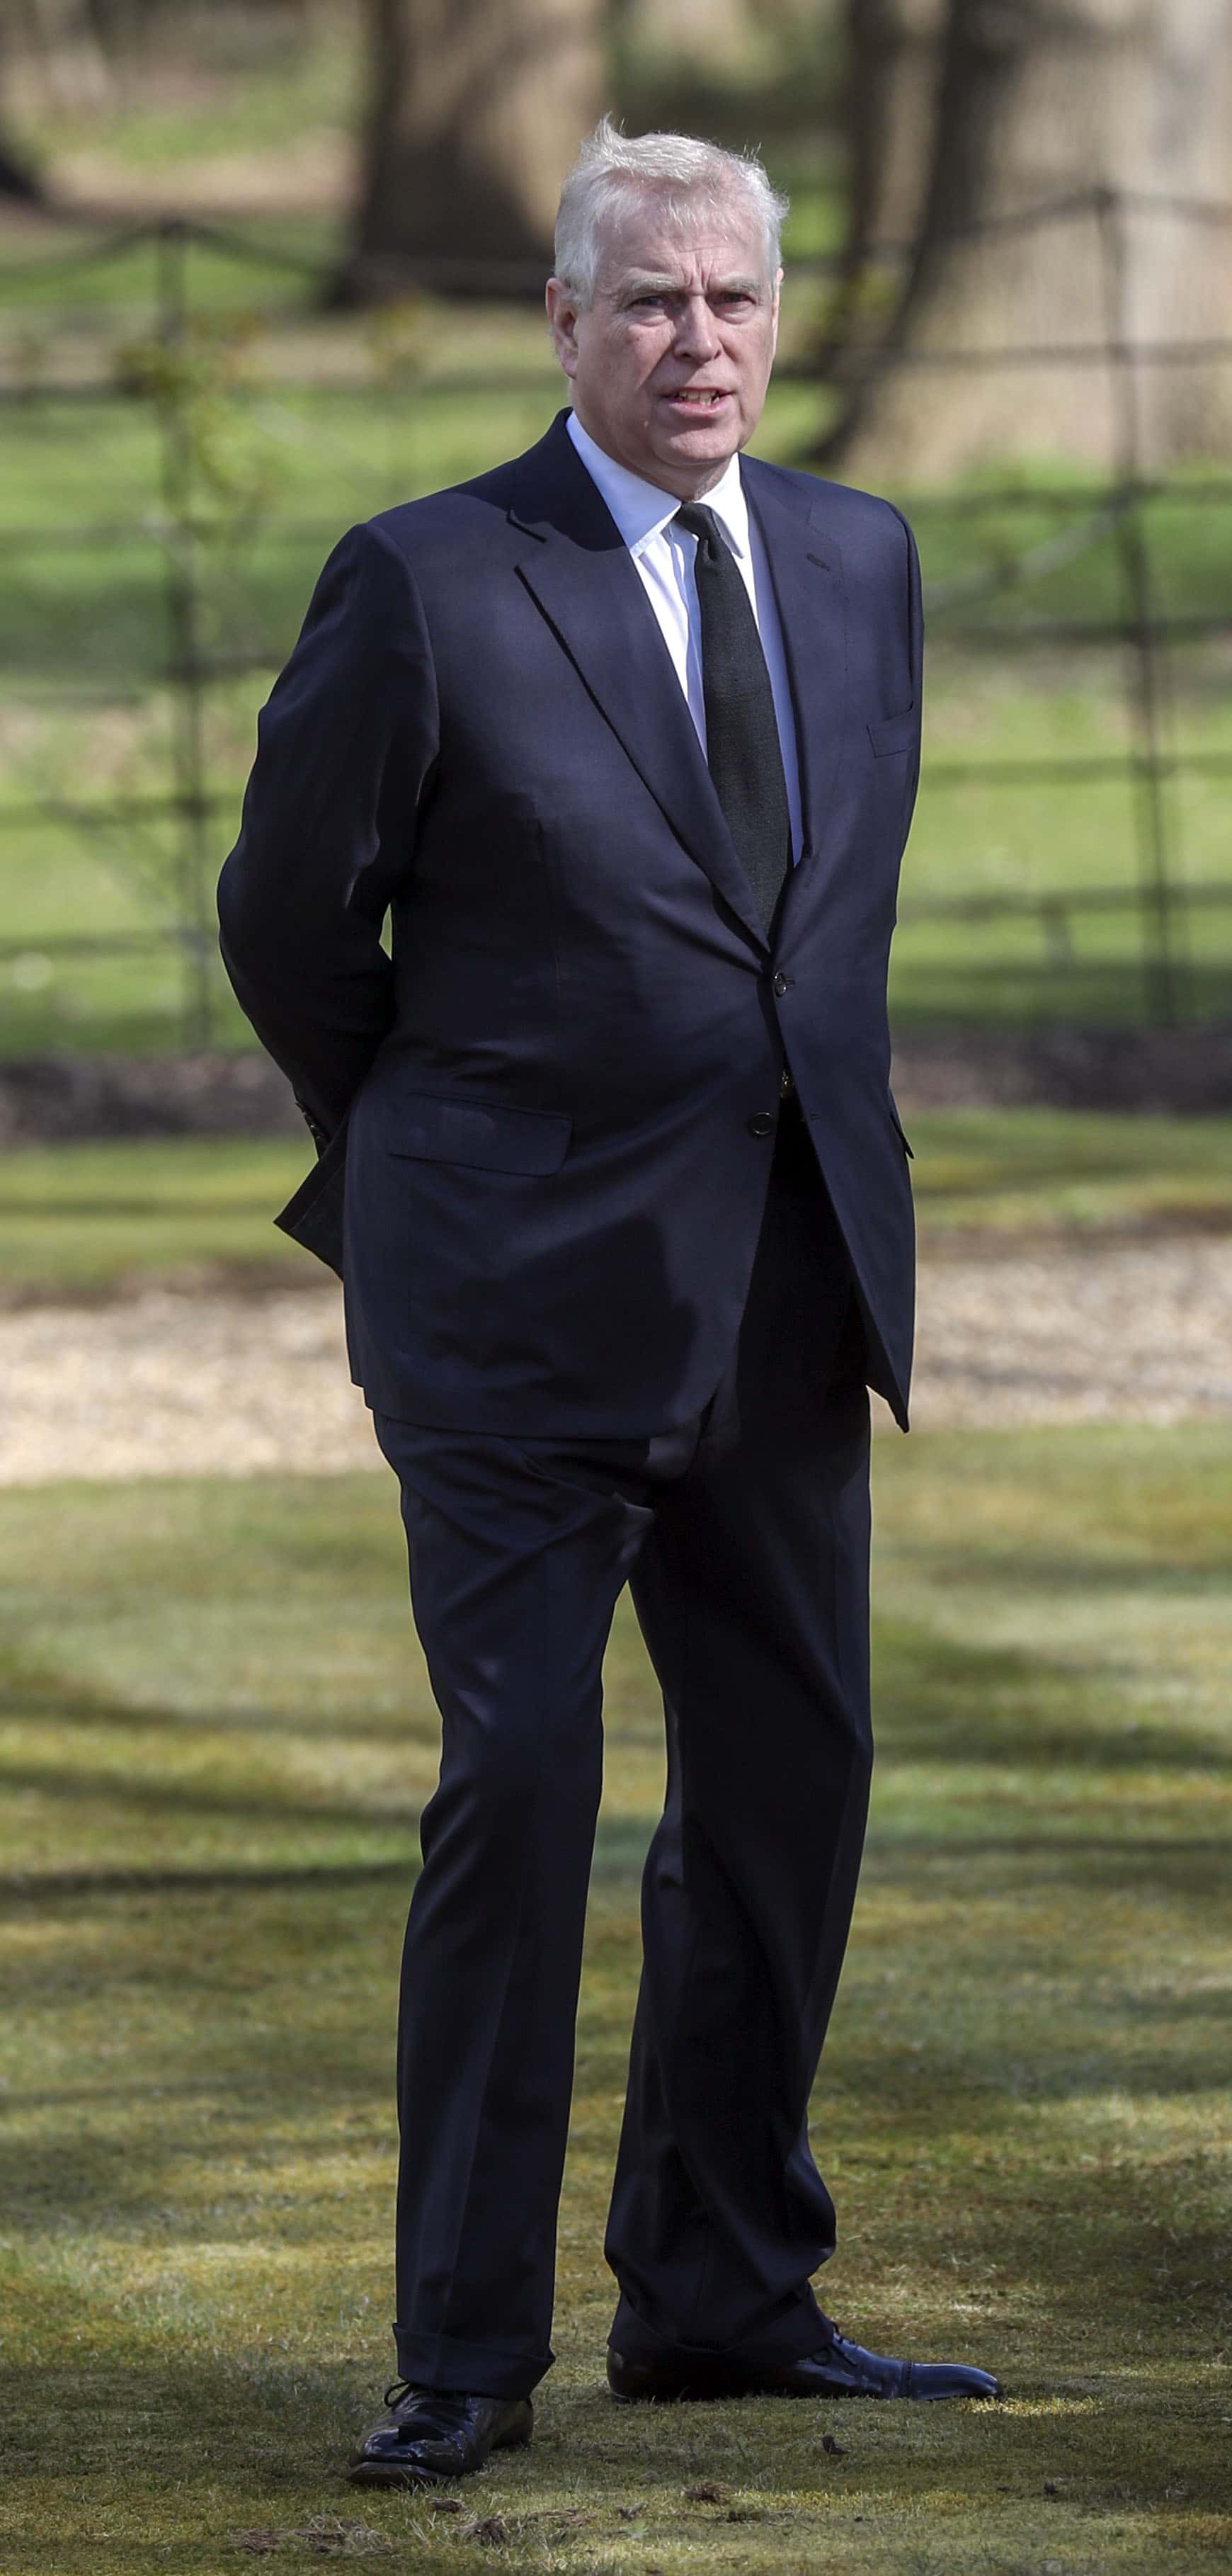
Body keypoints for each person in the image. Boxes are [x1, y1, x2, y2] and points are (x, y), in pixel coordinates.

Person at [217, 117, 1000, 2488]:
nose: (698, 341)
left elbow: (801, 946)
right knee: (524, 1786)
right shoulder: (434, 580)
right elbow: (286, 922)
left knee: (787, 1788)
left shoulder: (861, 564)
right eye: (648, 300)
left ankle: (723, 2295)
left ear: (779, 321)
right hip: (509, 1306)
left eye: (735, 300)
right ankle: (464, 2344)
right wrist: (444, 1156)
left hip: (780, 1286)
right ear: (562, 322)